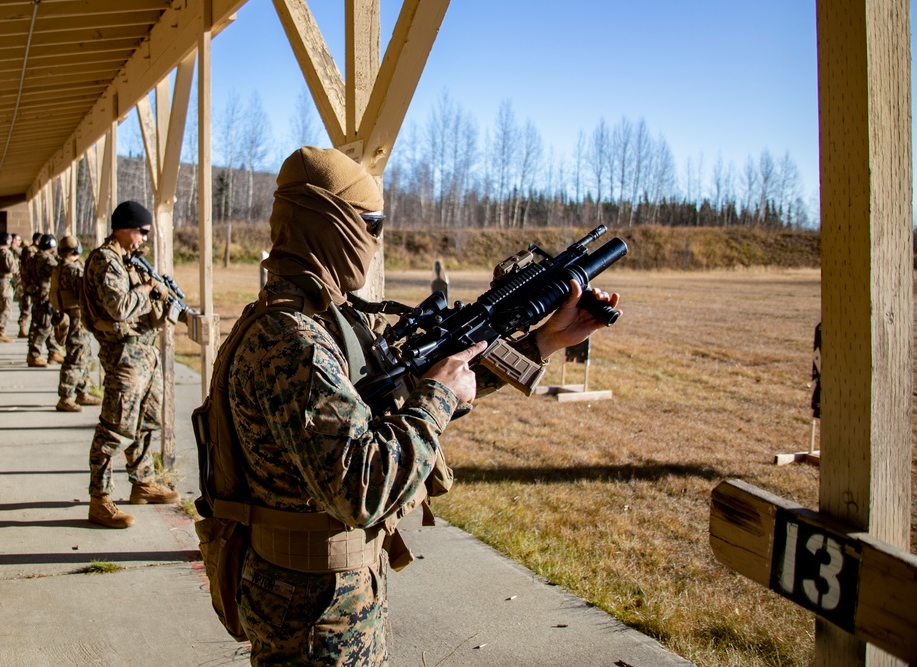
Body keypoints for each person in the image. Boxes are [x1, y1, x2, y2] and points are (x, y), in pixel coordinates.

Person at [226, 146, 621, 664]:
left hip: (320, 602)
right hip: (312, 614)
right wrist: (438, 397)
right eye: (373, 225)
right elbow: (359, 489)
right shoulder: (294, 341)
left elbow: (410, 395)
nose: (375, 240)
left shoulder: (321, 321)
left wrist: (545, 341)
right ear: (332, 224)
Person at [81, 200, 180, 528]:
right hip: (123, 354)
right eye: (142, 232)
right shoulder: (105, 261)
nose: (144, 239)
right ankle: (100, 499)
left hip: (143, 352)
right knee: (116, 428)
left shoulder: (128, 261)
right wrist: (148, 287)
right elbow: (120, 307)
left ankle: (143, 482)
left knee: (146, 421)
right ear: (125, 227)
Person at [54, 235, 101, 413]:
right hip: (75, 319)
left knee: (84, 355)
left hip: (72, 317)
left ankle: (82, 391)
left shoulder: (61, 267)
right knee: (75, 357)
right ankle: (65, 397)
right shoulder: (71, 269)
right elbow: (86, 290)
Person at [26, 234, 64, 368]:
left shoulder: (34, 257)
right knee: (44, 326)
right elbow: (59, 270)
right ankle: (34, 355)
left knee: (48, 324)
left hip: (38, 293)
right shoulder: (46, 259)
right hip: (44, 295)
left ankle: (53, 352)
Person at [17, 232, 41, 338]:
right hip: (28, 283)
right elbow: (28, 267)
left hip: (33, 284)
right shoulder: (30, 250)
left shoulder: (37, 251)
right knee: (26, 306)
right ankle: (22, 328)